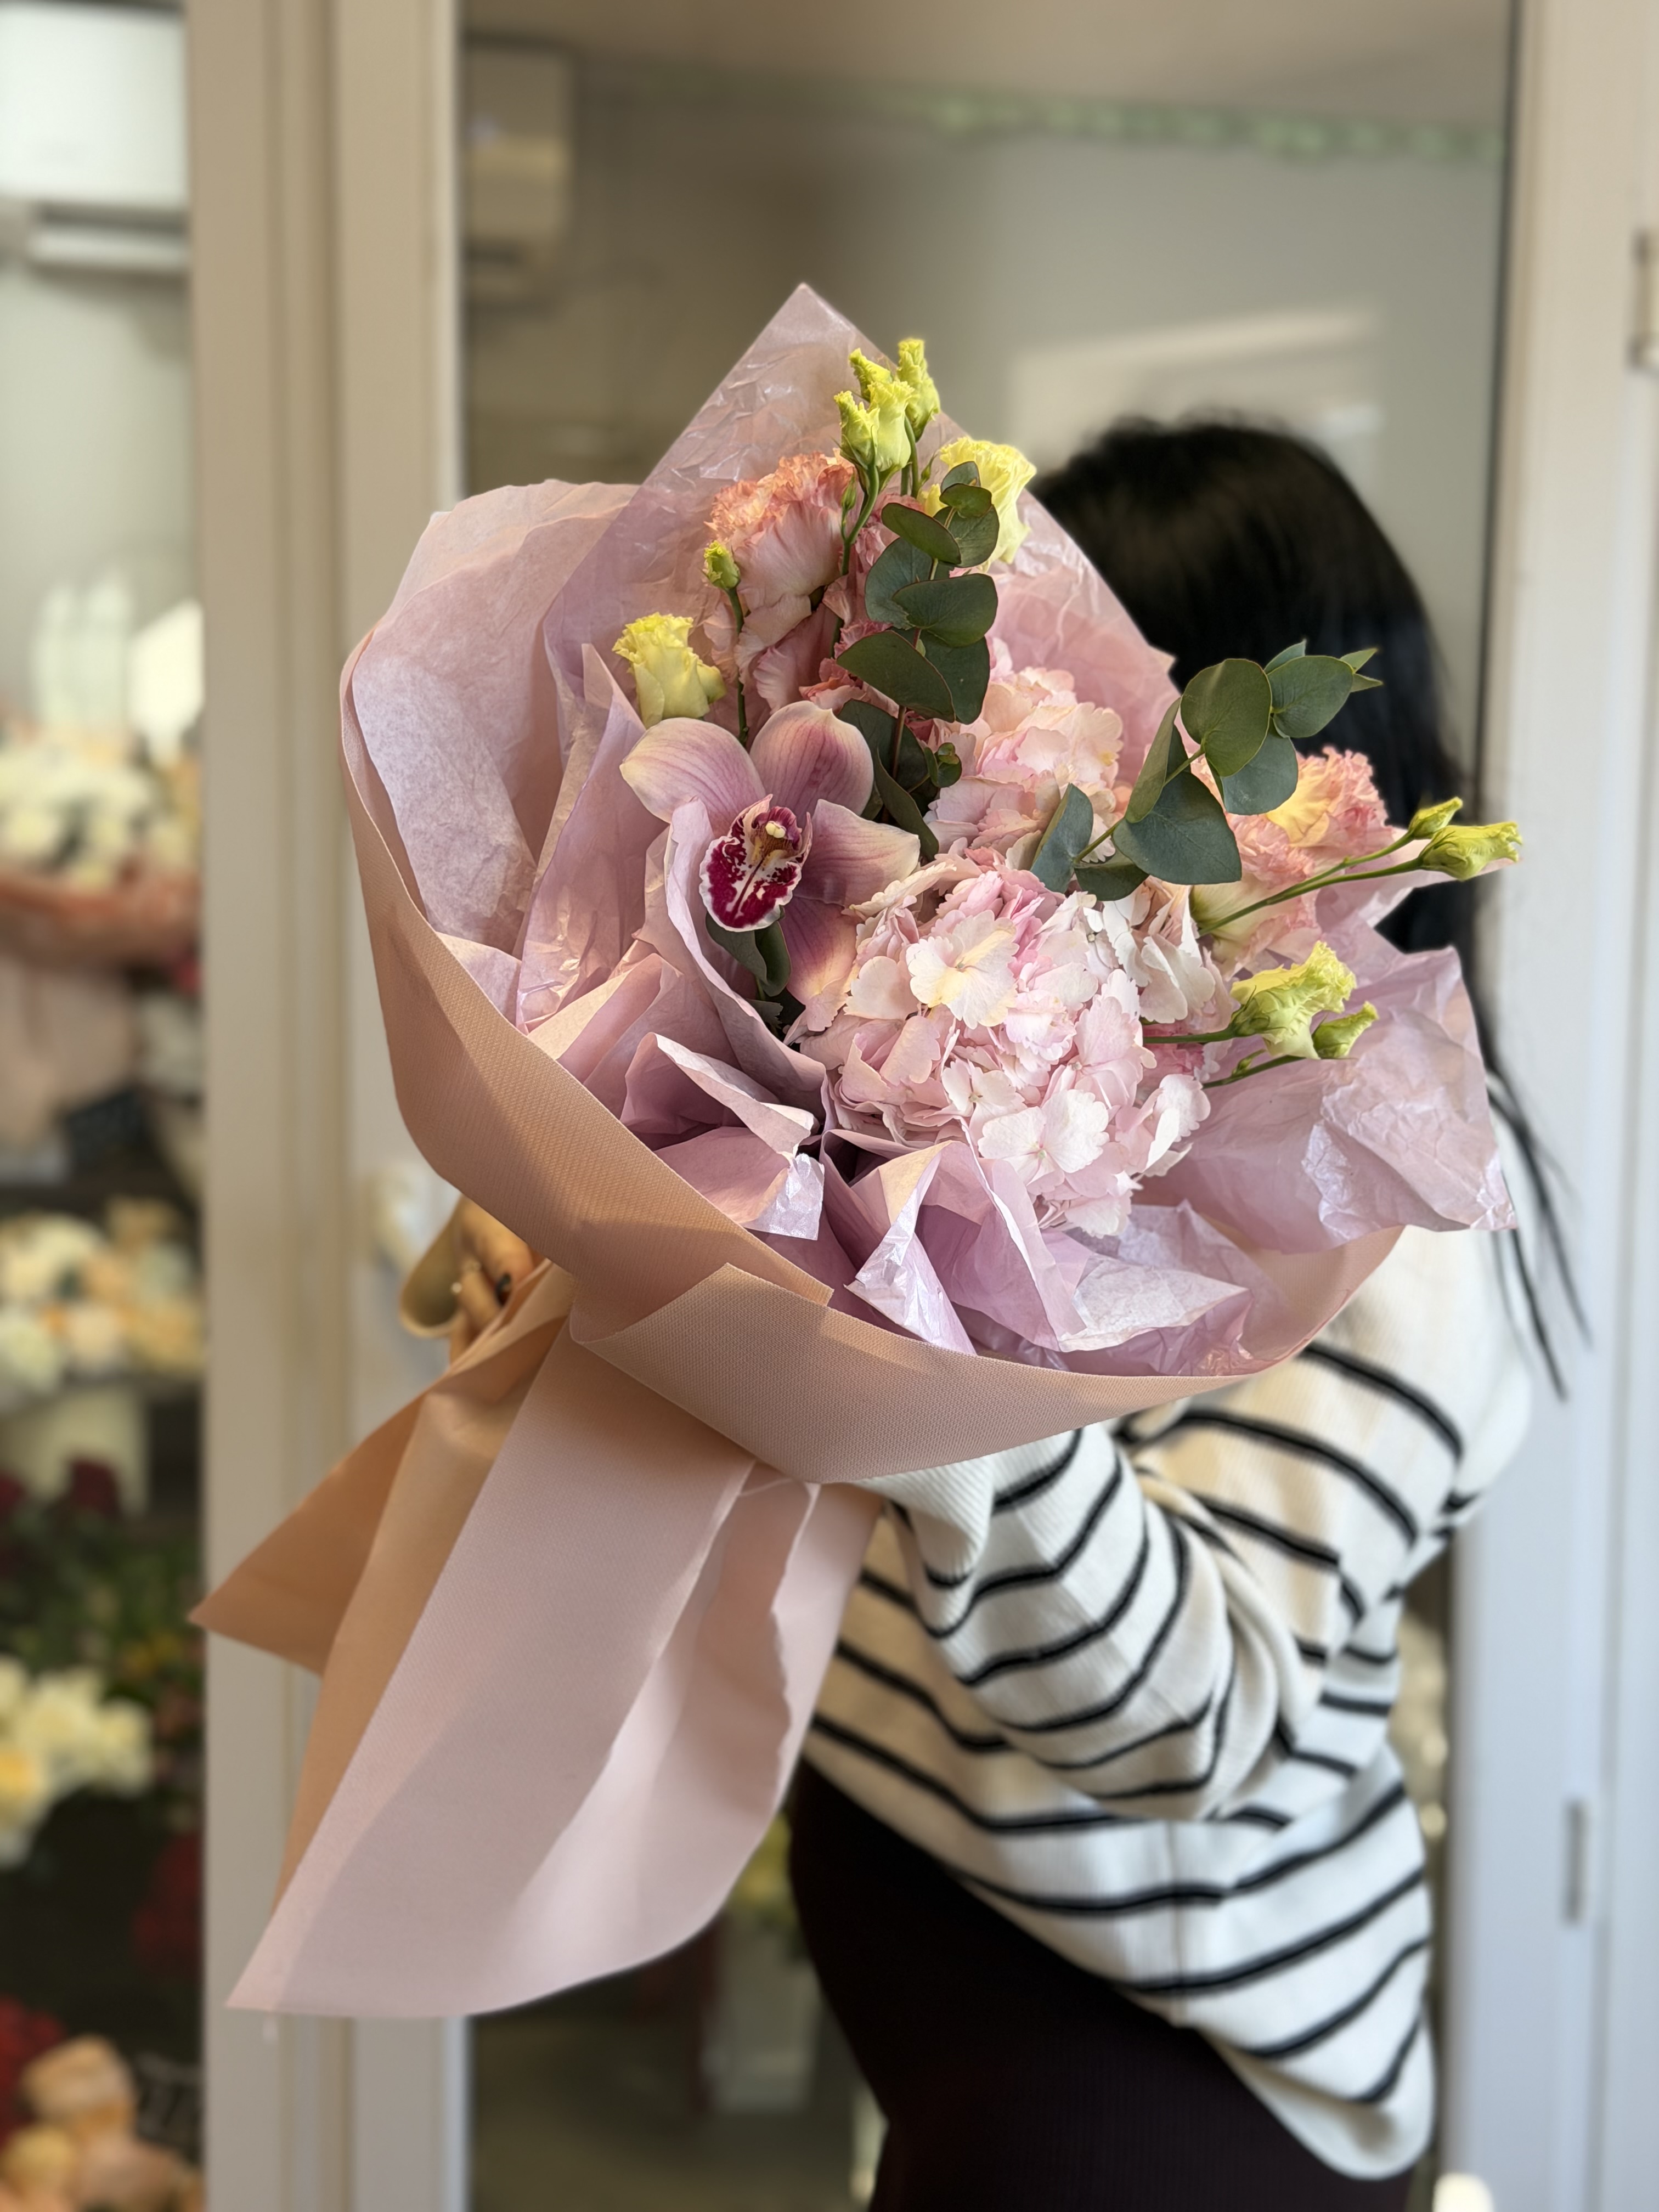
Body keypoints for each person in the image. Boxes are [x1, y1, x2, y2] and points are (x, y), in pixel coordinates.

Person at [445, 422, 1542, 2211]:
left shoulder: (1384, 1217)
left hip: (1163, 2083)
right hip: (975, 1999)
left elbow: (1198, 1722)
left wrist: (922, 1353)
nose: (1057, 786)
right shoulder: (1073, 1074)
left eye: (1114, 728)